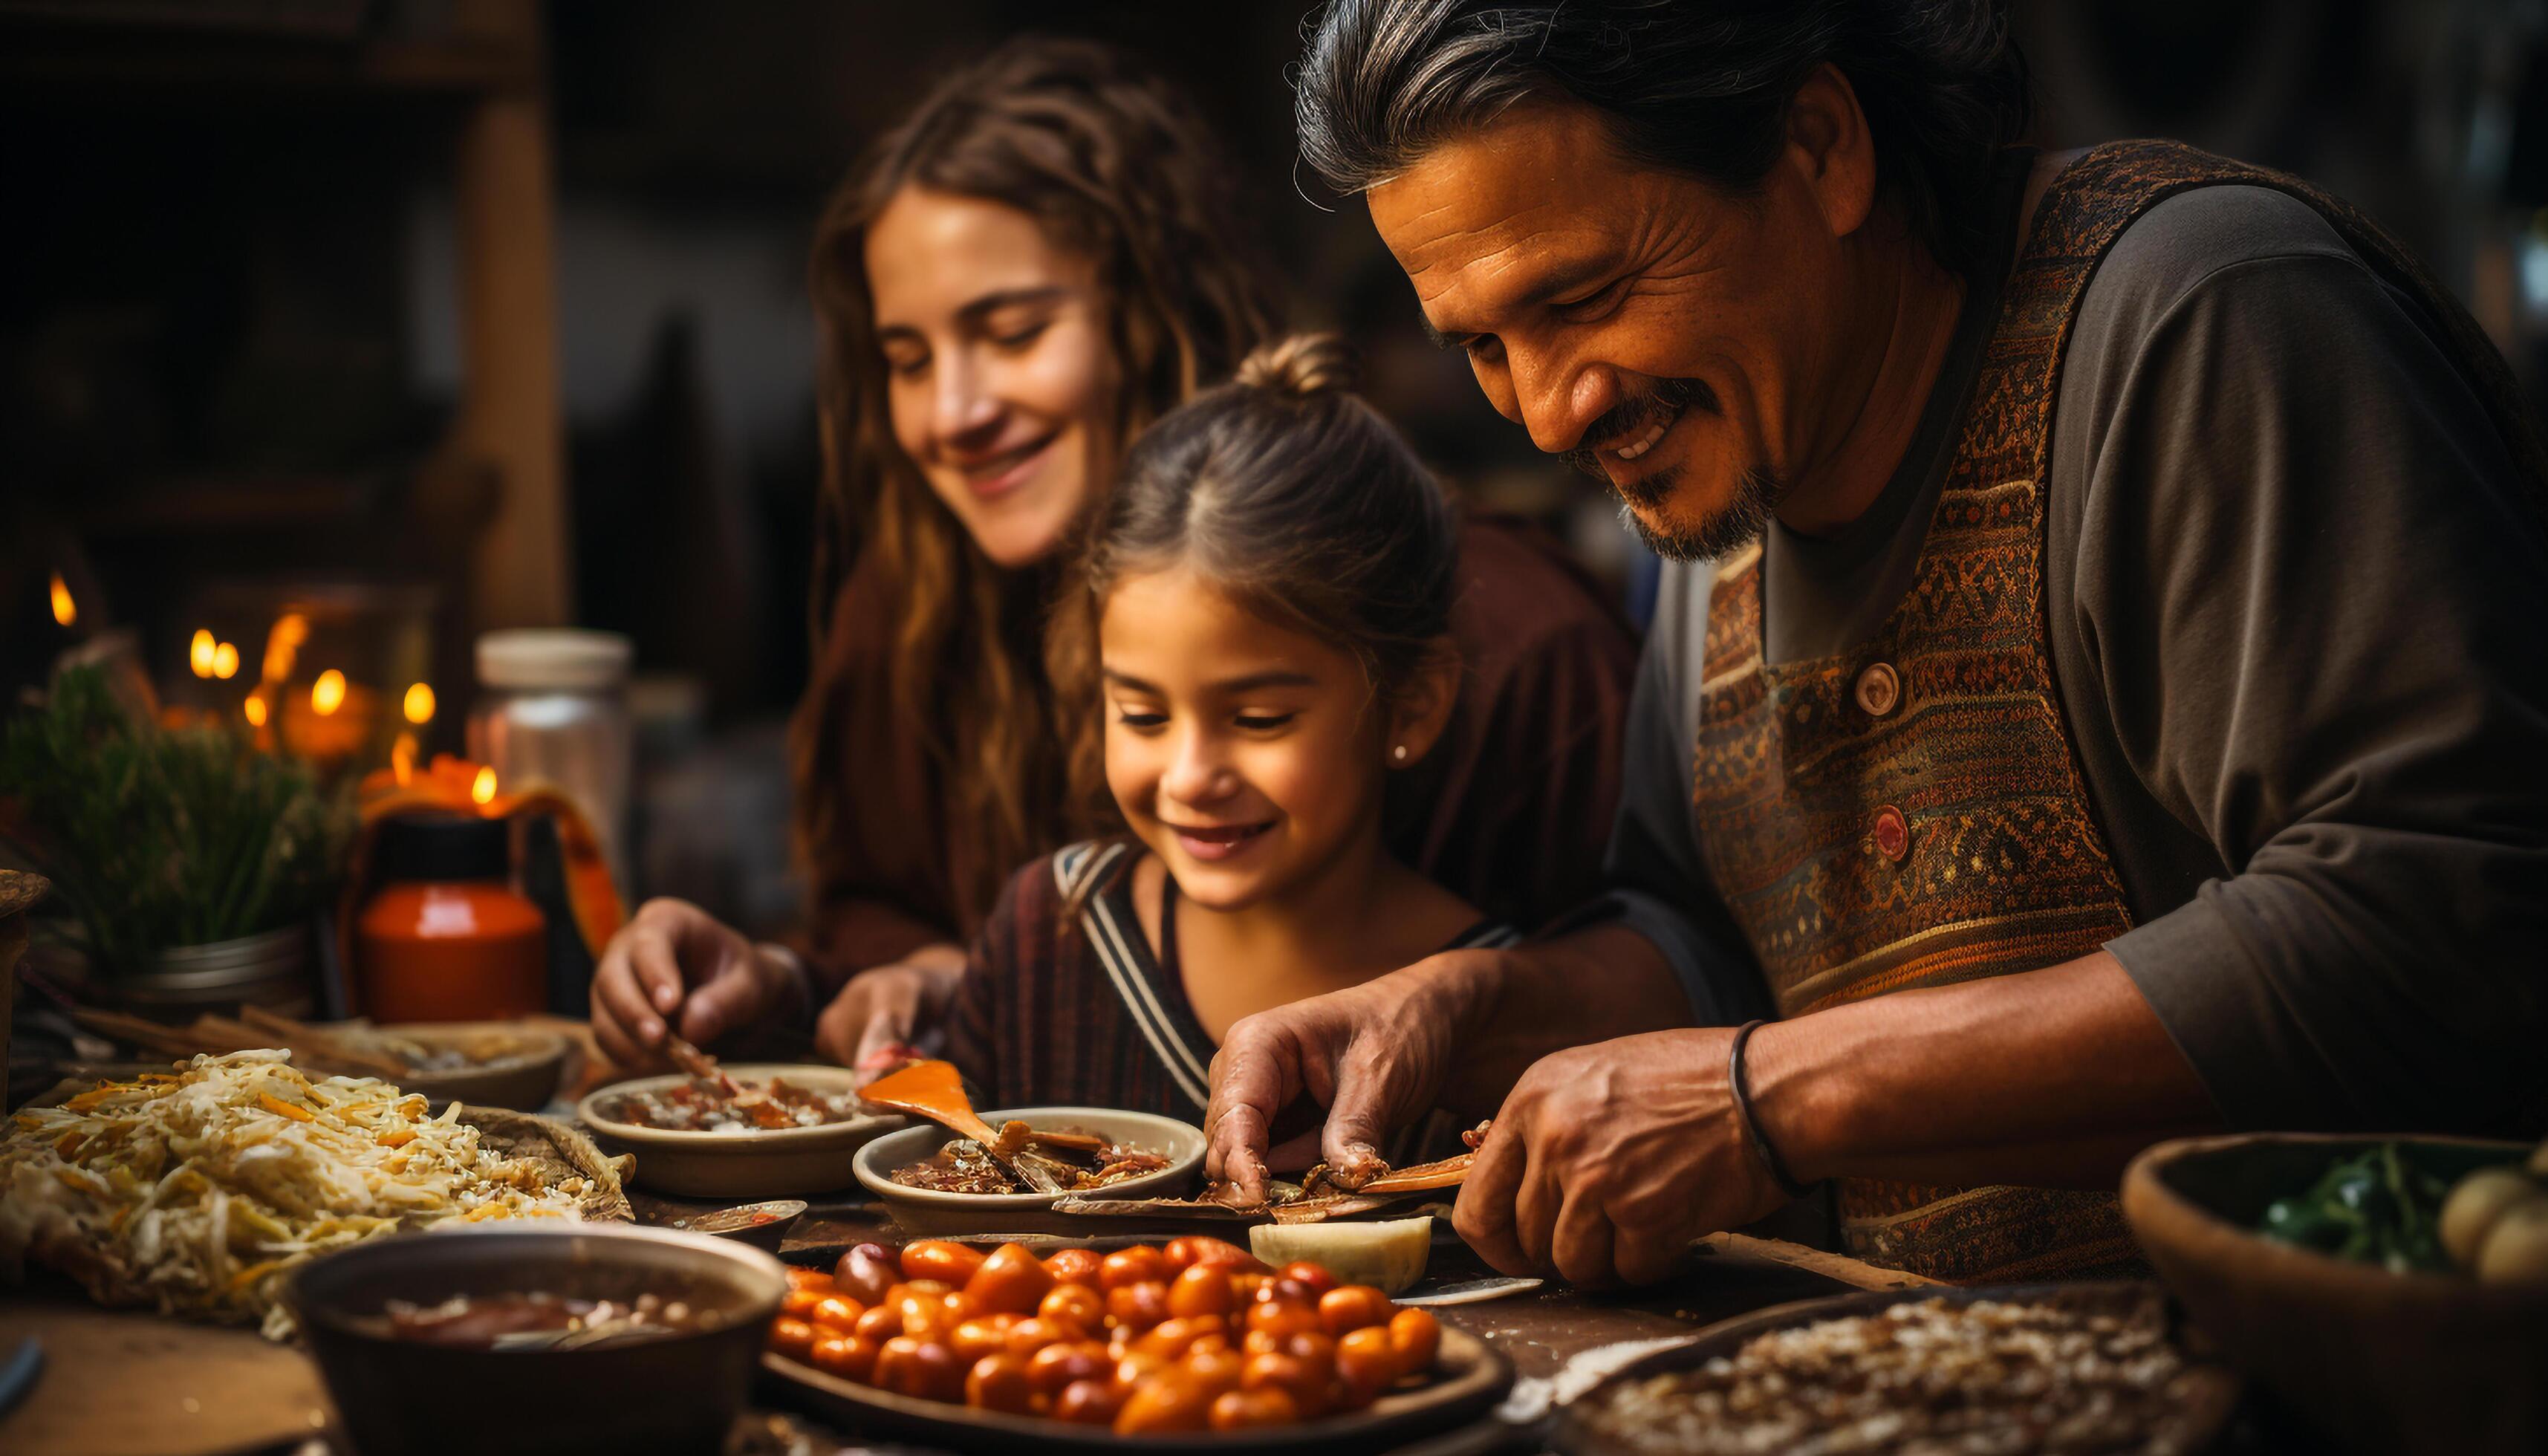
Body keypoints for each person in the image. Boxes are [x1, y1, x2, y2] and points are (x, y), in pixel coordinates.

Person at [1204, 0, 2548, 1287]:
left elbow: (2444, 912)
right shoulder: (1723, 487)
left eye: (1588, 294)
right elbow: (1725, 954)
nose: (1550, 416)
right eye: (1485, 347)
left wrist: (1764, 1095)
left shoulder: (2204, 320)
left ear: (1821, 150)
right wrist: (1463, 1013)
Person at [586, 37, 1639, 1077]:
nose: (950, 415)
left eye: (1011, 333)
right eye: (906, 361)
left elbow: (1638, 997)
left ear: (1151, 313)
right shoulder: (914, 604)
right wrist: (794, 990)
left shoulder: (1513, 639)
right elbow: (880, 919)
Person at [949, 335, 1509, 1152]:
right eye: (1142, 716)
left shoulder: (1502, 1014)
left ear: (1413, 705)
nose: (1189, 777)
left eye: (1258, 721)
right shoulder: (1048, 934)